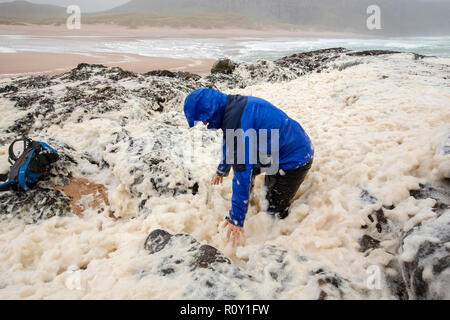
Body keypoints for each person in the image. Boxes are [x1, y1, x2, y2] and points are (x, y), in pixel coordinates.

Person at [184, 88, 314, 245]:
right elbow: (230, 143)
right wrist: (222, 169)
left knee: (272, 211)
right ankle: (248, 201)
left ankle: (275, 243)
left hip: (296, 159)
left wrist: (236, 218)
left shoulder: (236, 121)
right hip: (277, 148)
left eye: (203, 118)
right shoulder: (232, 108)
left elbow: (242, 173)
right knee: (262, 188)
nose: (204, 123)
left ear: (210, 109)